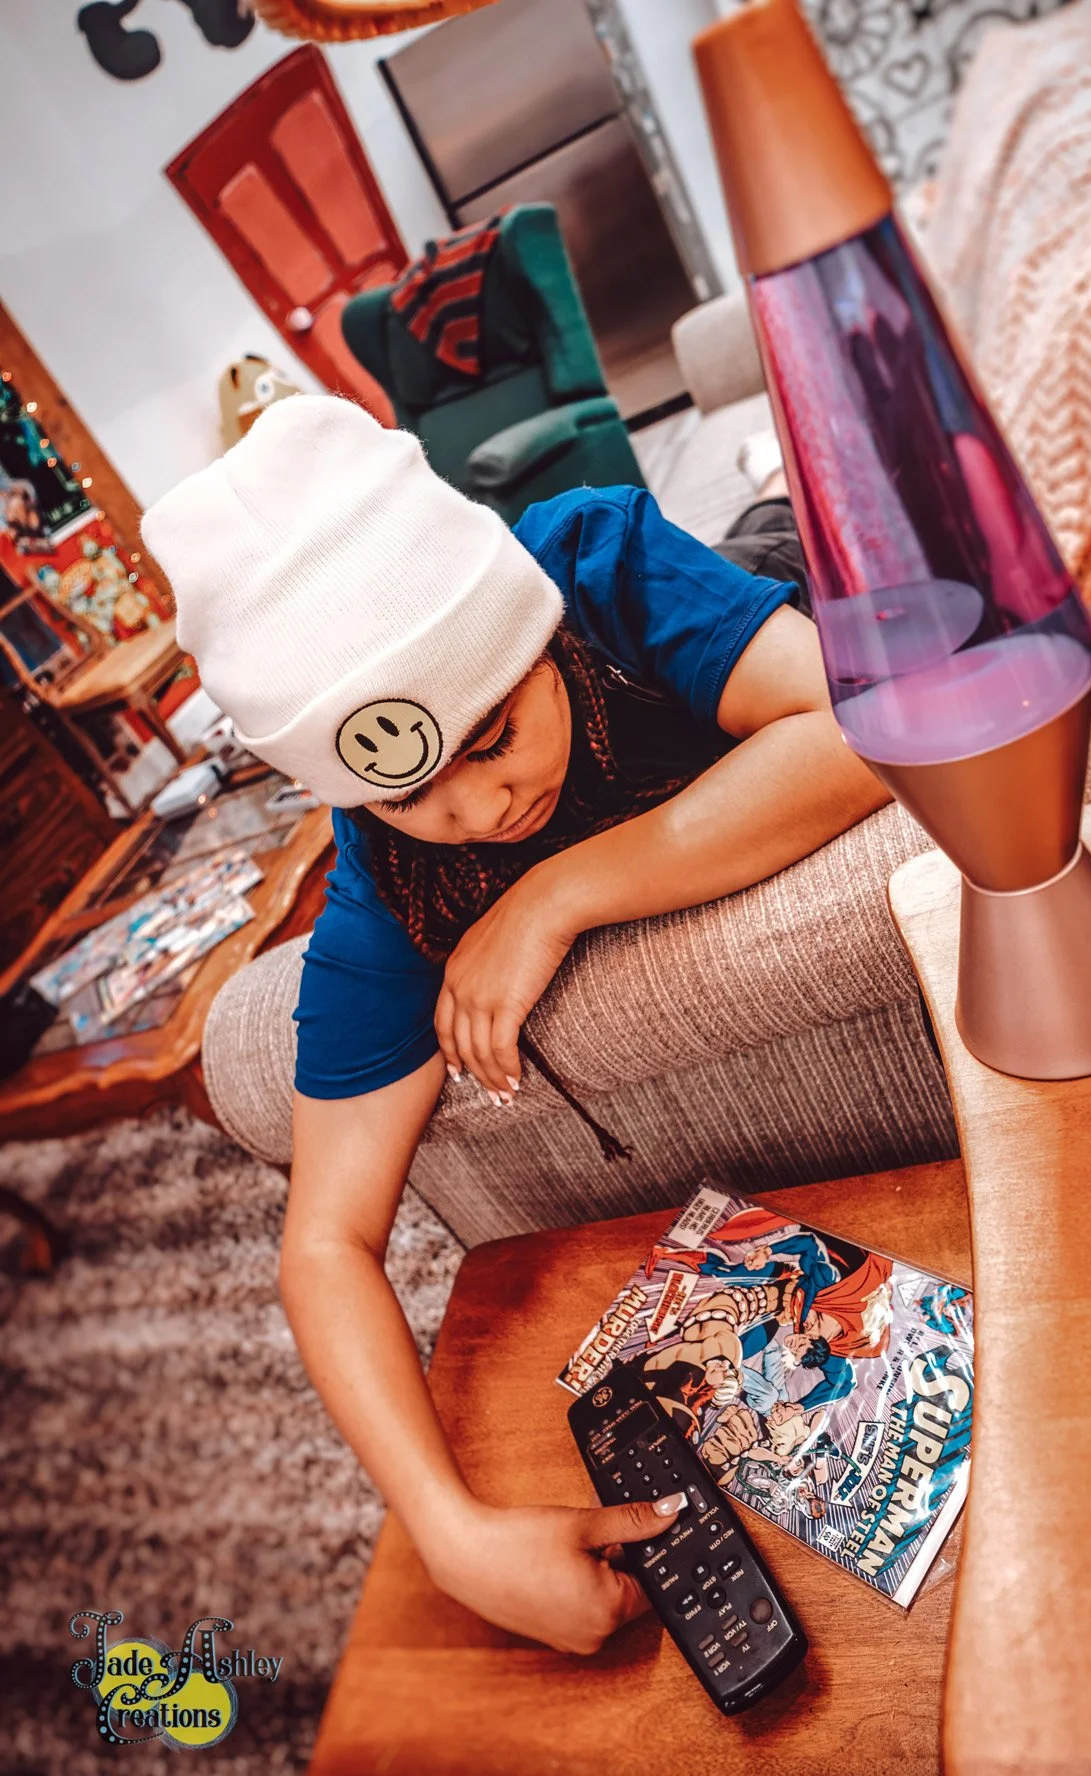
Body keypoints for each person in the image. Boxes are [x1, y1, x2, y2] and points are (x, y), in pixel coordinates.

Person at [143, 394, 887, 1659]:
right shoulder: (388, 871)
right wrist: (449, 1533)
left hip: (749, 612)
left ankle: (771, 466)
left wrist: (558, 893)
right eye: (414, 799)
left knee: (791, 524)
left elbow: (867, 730)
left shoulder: (595, 559)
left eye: (495, 738)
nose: (482, 811)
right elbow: (323, 1244)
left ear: (534, 637)